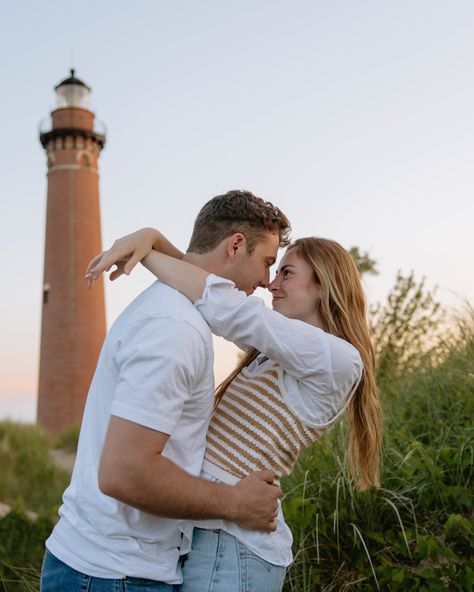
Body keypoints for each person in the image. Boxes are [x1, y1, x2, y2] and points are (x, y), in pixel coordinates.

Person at [86, 228, 383, 592]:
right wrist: (152, 240)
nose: (272, 284)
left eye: (286, 273)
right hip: (214, 534)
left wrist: (147, 251)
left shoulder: (336, 359)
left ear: (324, 285)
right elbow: (207, 289)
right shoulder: (276, 353)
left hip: (235, 549)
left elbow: (224, 306)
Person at [40, 190, 292, 592]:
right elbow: (125, 472)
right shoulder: (174, 328)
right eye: (266, 262)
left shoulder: (175, 309)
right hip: (113, 576)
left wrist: (154, 239)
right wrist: (235, 503)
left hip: (109, 569)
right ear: (236, 246)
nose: (266, 282)